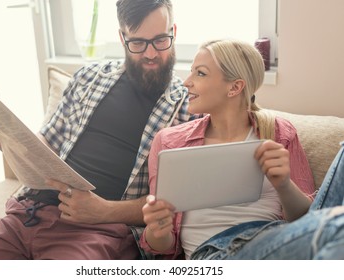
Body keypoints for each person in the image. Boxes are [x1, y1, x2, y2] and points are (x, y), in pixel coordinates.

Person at [0, 0, 196, 260]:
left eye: (161, 40)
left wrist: (104, 211)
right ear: (122, 37)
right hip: (28, 214)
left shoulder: (188, 108)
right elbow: (44, 148)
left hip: (97, 231)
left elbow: (173, 203)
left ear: (174, 32)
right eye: (137, 43)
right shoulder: (88, 78)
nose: (150, 53)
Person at [140, 39, 344, 260]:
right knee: (338, 226)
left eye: (200, 73)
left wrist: (284, 184)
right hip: (215, 254)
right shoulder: (170, 142)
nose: (186, 82)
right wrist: (156, 228)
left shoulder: (278, 132)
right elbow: (163, 244)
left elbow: (307, 220)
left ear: (235, 87)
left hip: (275, 239)